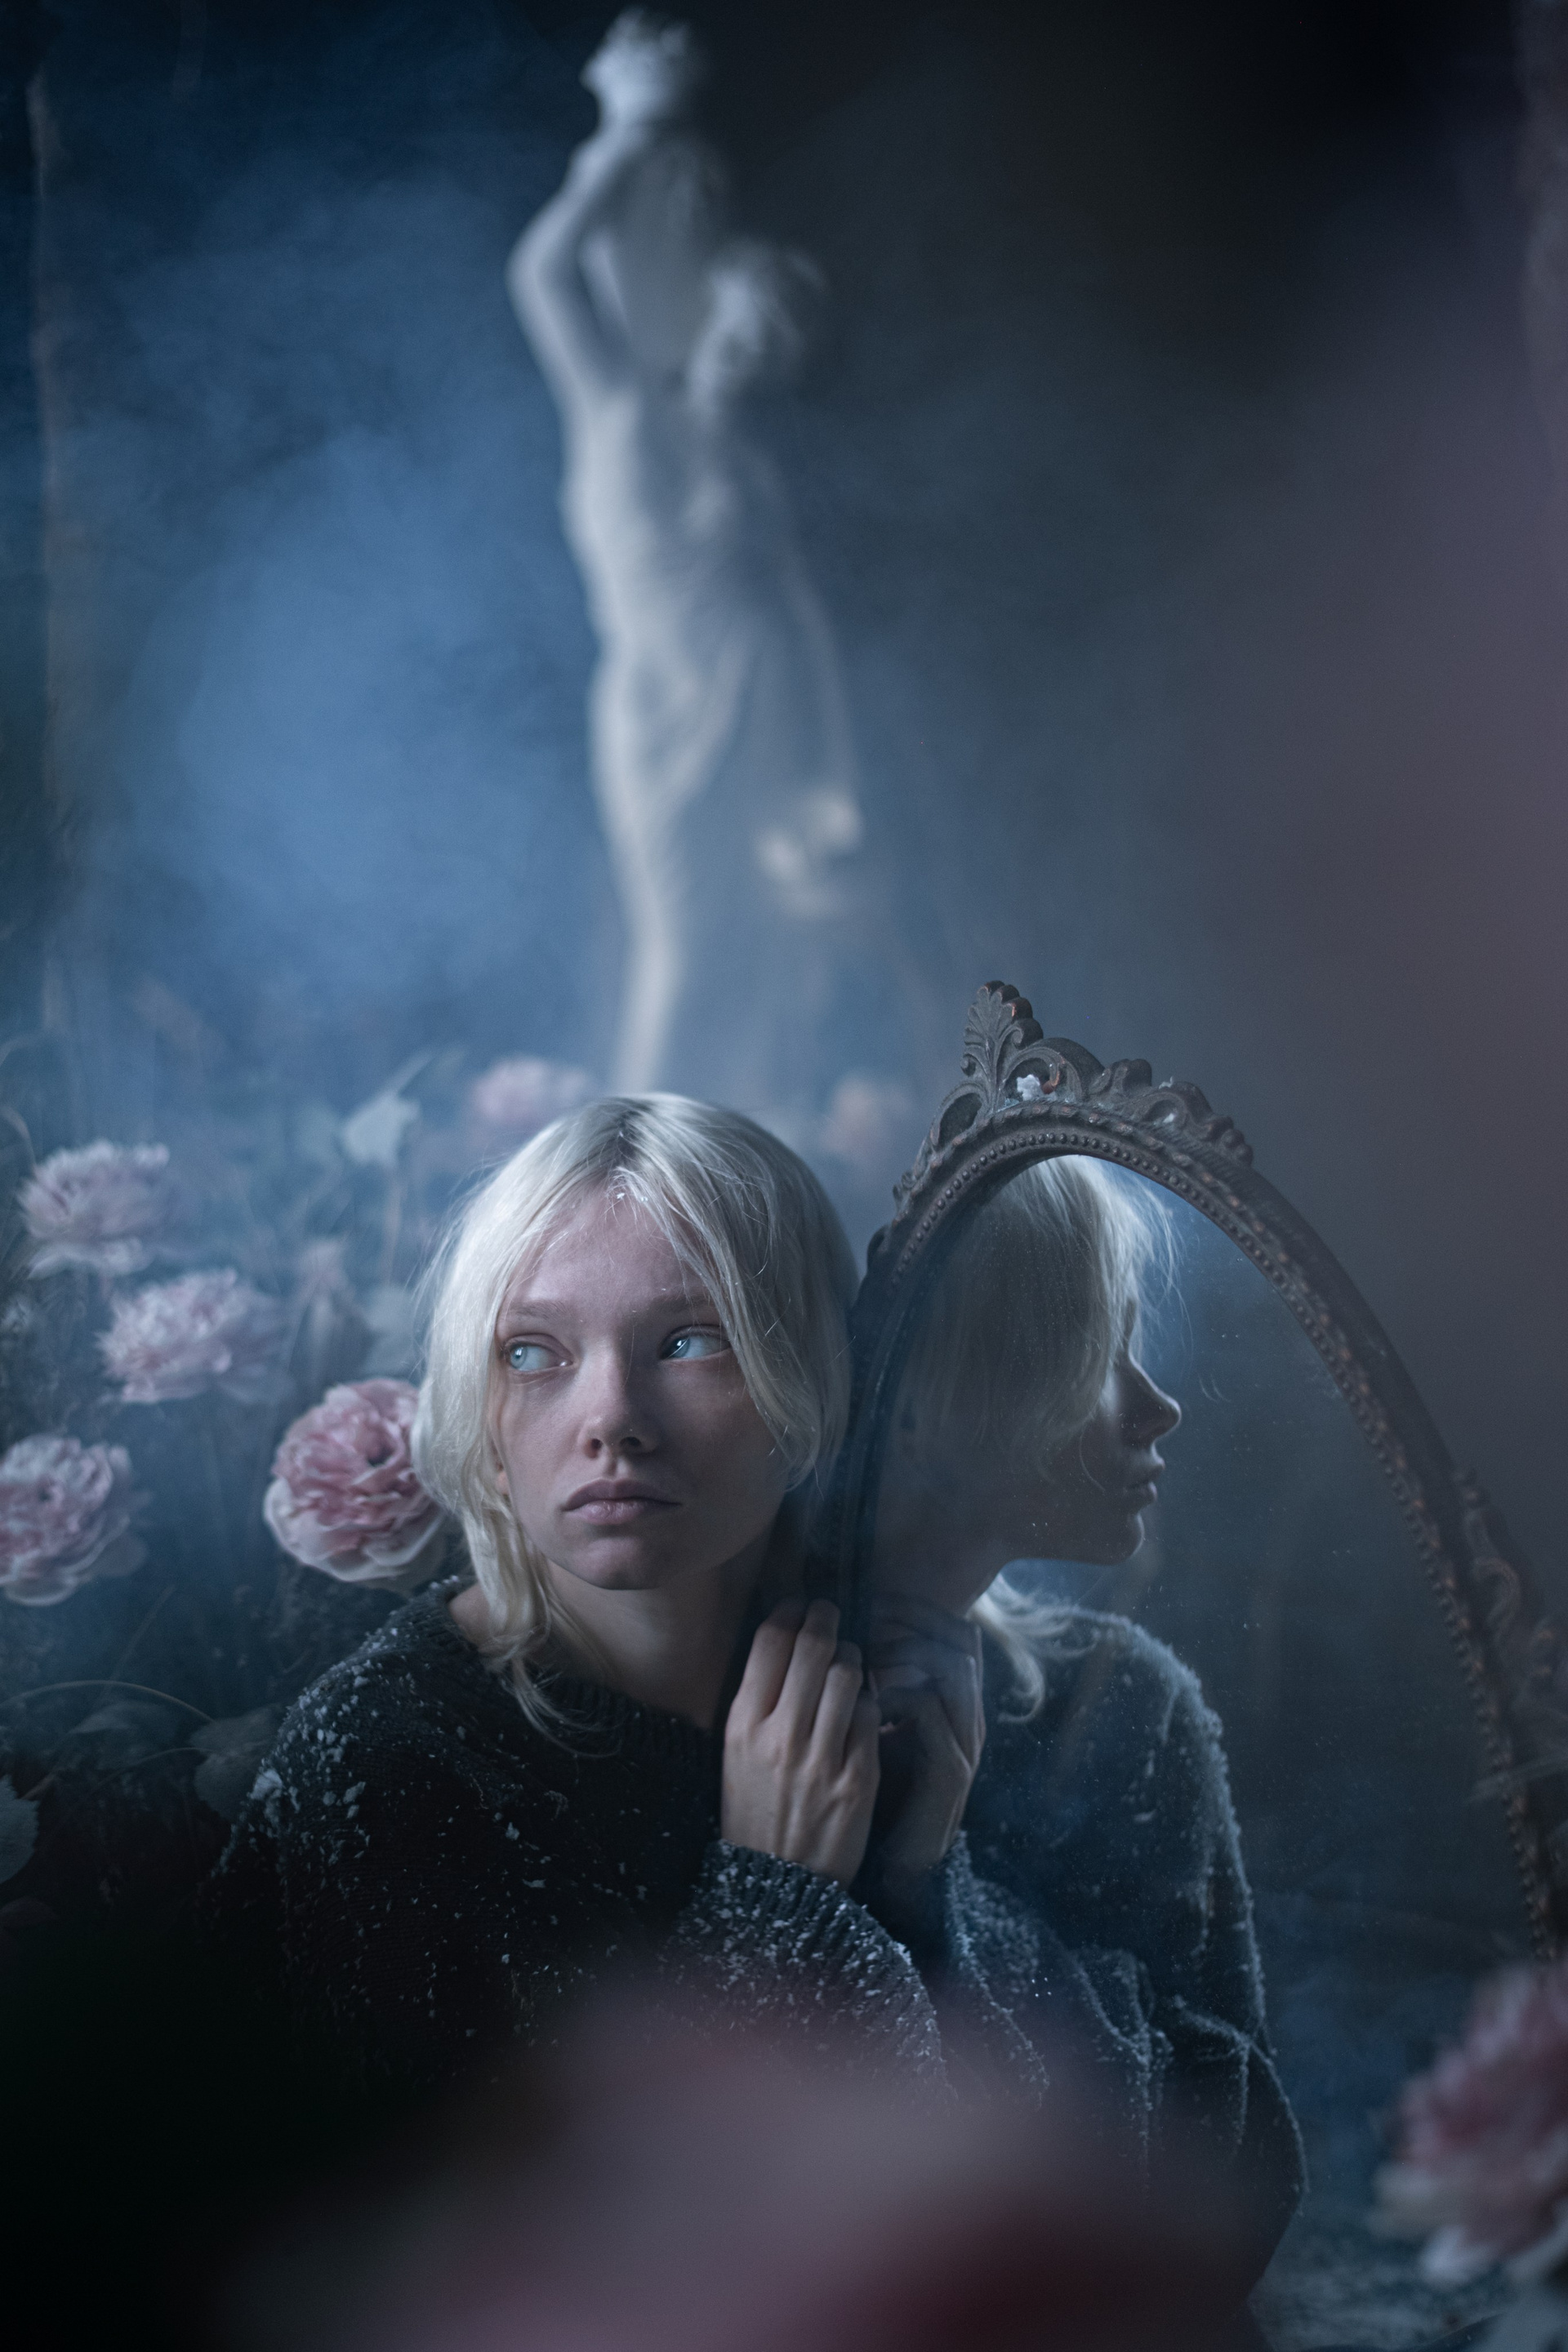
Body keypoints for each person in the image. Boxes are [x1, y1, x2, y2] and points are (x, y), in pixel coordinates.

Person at [867, 1154, 1305, 2264]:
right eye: (1097, 1351)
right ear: (932, 1393)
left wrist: (933, 1890)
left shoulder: (1125, 1705)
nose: (1159, 1407)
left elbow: (1238, 2172)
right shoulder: (724, 1684)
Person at [506, 13, 877, 1112]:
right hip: (666, 708)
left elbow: (798, 611)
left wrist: (832, 768)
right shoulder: (620, 406)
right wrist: (626, 132)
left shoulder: (747, 460)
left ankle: (745, 1144)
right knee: (678, 945)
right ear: (711, 310)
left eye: (773, 350)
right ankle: (631, 1161)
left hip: (759, 702)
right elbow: (542, 273)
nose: (751, 357)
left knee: (762, 949)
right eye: (744, 330)